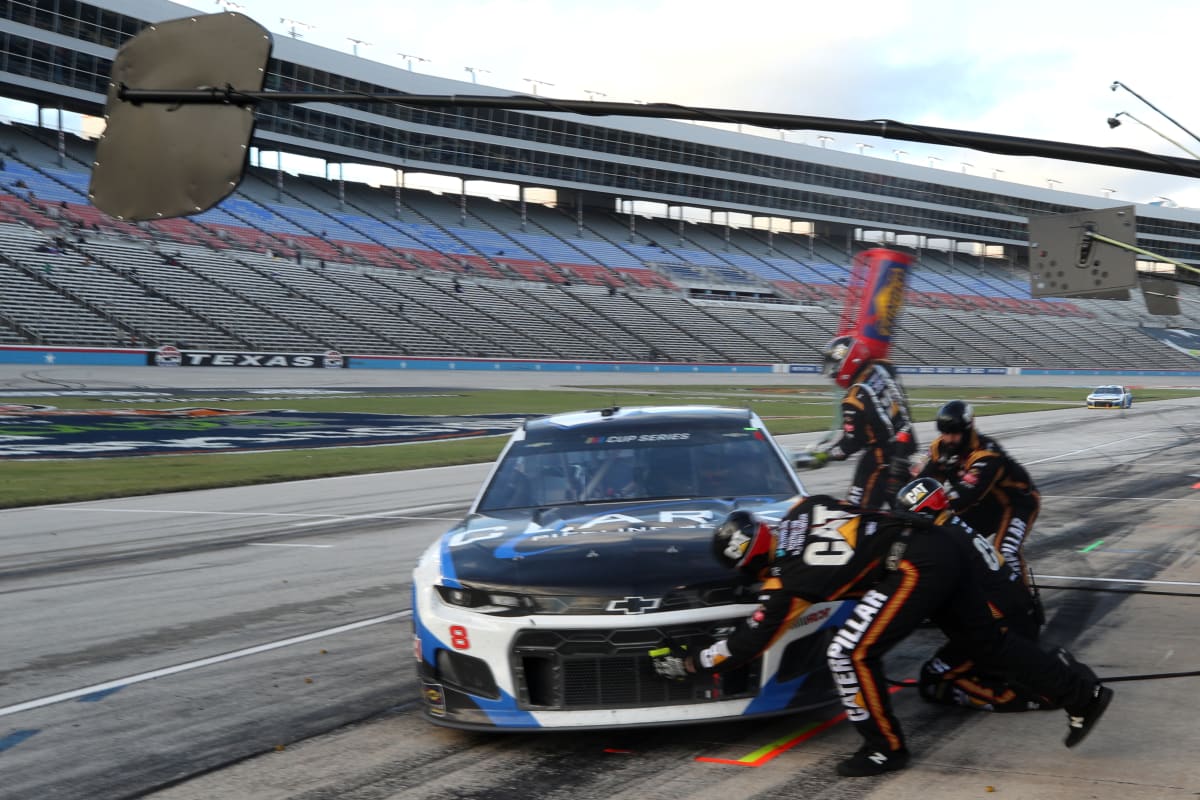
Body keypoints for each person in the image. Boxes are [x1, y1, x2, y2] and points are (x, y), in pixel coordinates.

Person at [650, 495, 1113, 777]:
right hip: (936, 543)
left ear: (749, 562)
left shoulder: (783, 584)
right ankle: (1083, 694)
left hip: (911, 566)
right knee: (988, 645)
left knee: (848, 653)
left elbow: (749, 644)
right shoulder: (805, 507)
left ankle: (884, 748)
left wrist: (694, 662)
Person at [895, 476, 1056, 713]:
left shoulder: (940, 543)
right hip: (1022, 615)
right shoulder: (956, 525)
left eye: (910, 517)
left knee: (932, 679)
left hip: (1005, 632)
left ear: (924, 512)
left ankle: (1021, 695)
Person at [916, 400, 1041, 602]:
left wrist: (928, 506)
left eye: (954, 433)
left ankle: (1024, 605)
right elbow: (923, 483)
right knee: (946, 541)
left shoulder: (987, 454)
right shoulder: (939, 448)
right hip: (985, 505)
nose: (948, 439)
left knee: (1006, 552)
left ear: (968, 430)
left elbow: (965, 497)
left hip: (1017, 503)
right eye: (944, 432)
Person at [808, 334, 917, 508]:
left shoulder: (853, 399)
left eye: (835, 365)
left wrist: (827, 455)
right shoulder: (884, 368)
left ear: (848, 361)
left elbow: (851, 444)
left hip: (880, 458)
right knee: (906, 506)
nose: (833, 372)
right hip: (906, 443)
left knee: (856, 509)